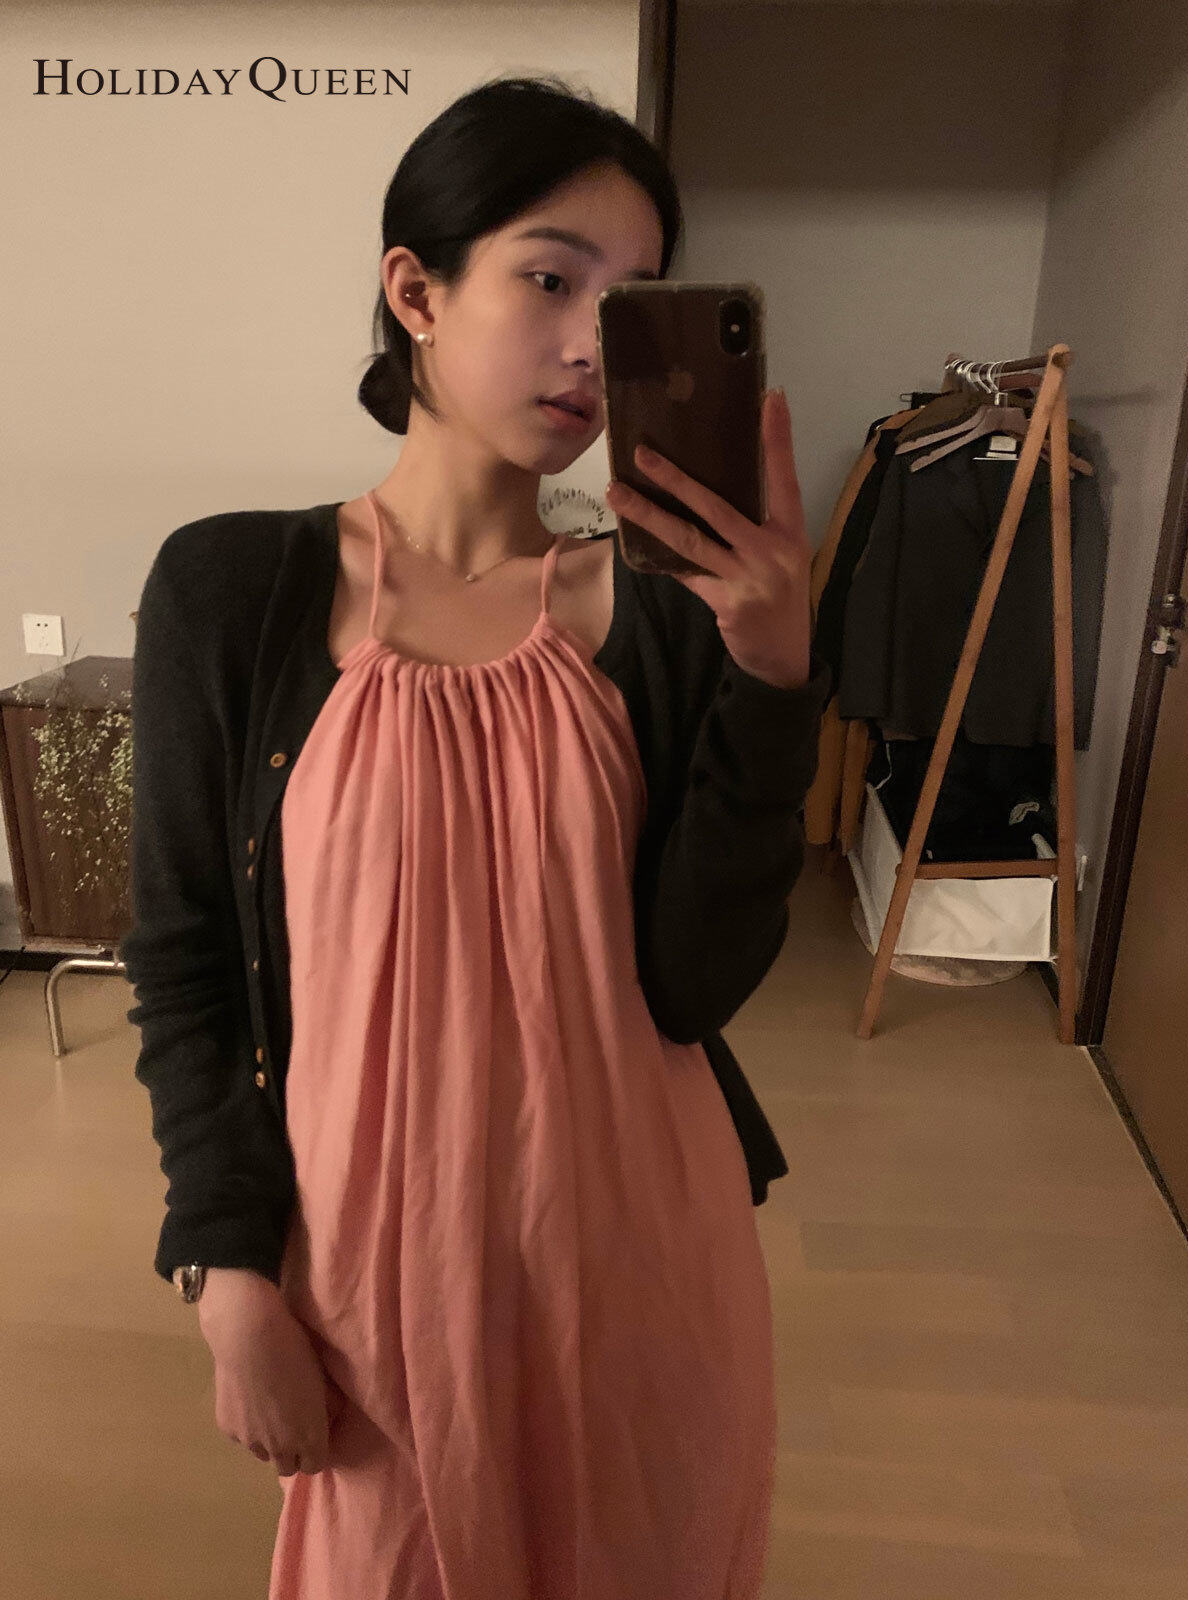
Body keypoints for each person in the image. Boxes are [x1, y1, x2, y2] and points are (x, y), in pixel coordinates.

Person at [125, 72, 820, 1600]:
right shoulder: (231, 595)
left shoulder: (661, 619)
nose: (589, 345)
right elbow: (183, 958)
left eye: (630, 304)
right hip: (375, 1276)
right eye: (550, 278)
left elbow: (692, 984)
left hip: (640, 1260)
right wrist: (225, 1270)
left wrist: (774, 682)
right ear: (417, 291)